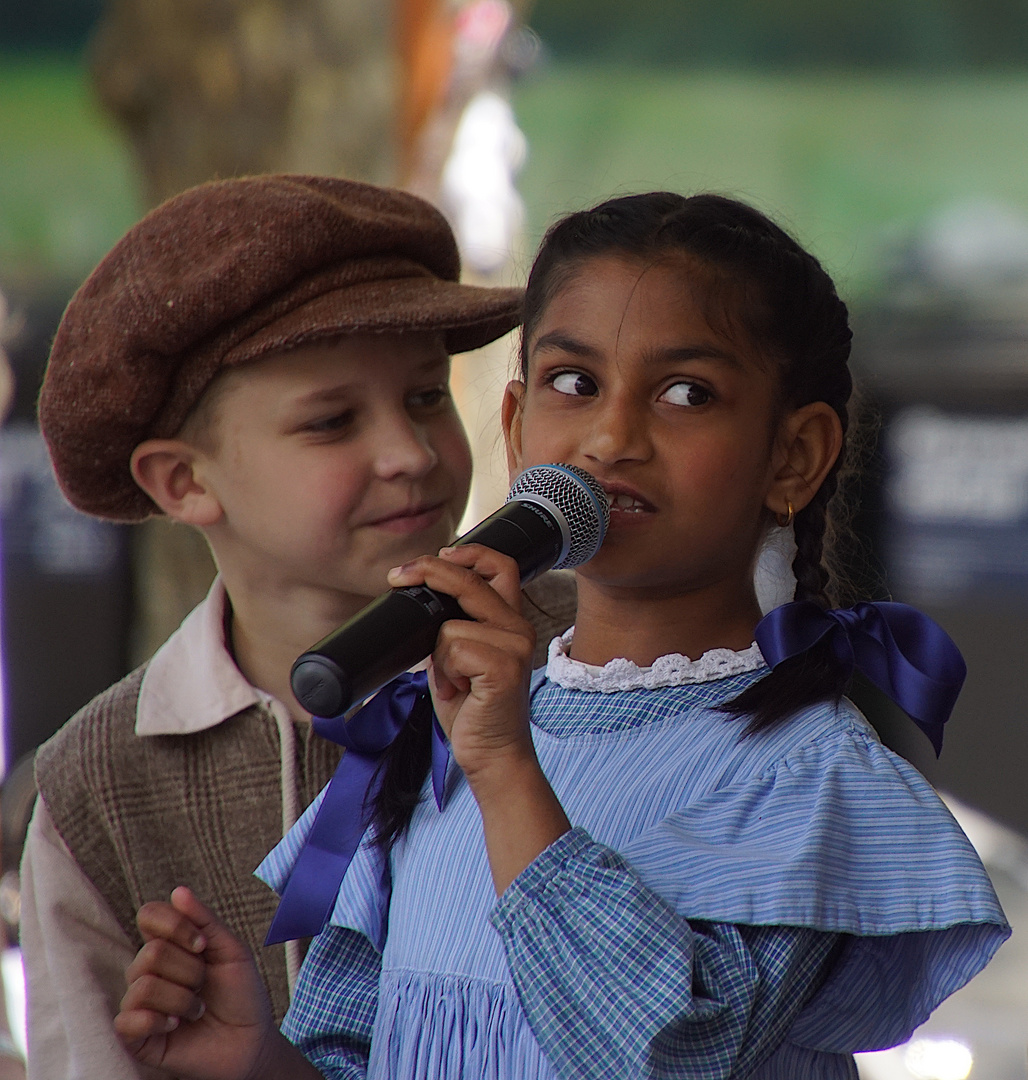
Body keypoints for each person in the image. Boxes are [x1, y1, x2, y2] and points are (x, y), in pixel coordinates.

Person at [113, 192, 1009, 1079]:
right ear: (514, 425)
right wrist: (257, 1060)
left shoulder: (806, 775)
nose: (611, 436)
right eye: (573, 384)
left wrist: (505, 770)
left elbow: (665, 1053)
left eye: (687, 394)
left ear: (794, 457)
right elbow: (355, 1054)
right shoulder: (423, 744)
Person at [19, 174, 577, 1080]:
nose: (410, 453)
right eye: (331, 422)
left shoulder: (595, 661)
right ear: (184, 483)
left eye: (428, 395)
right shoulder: (102, 783)